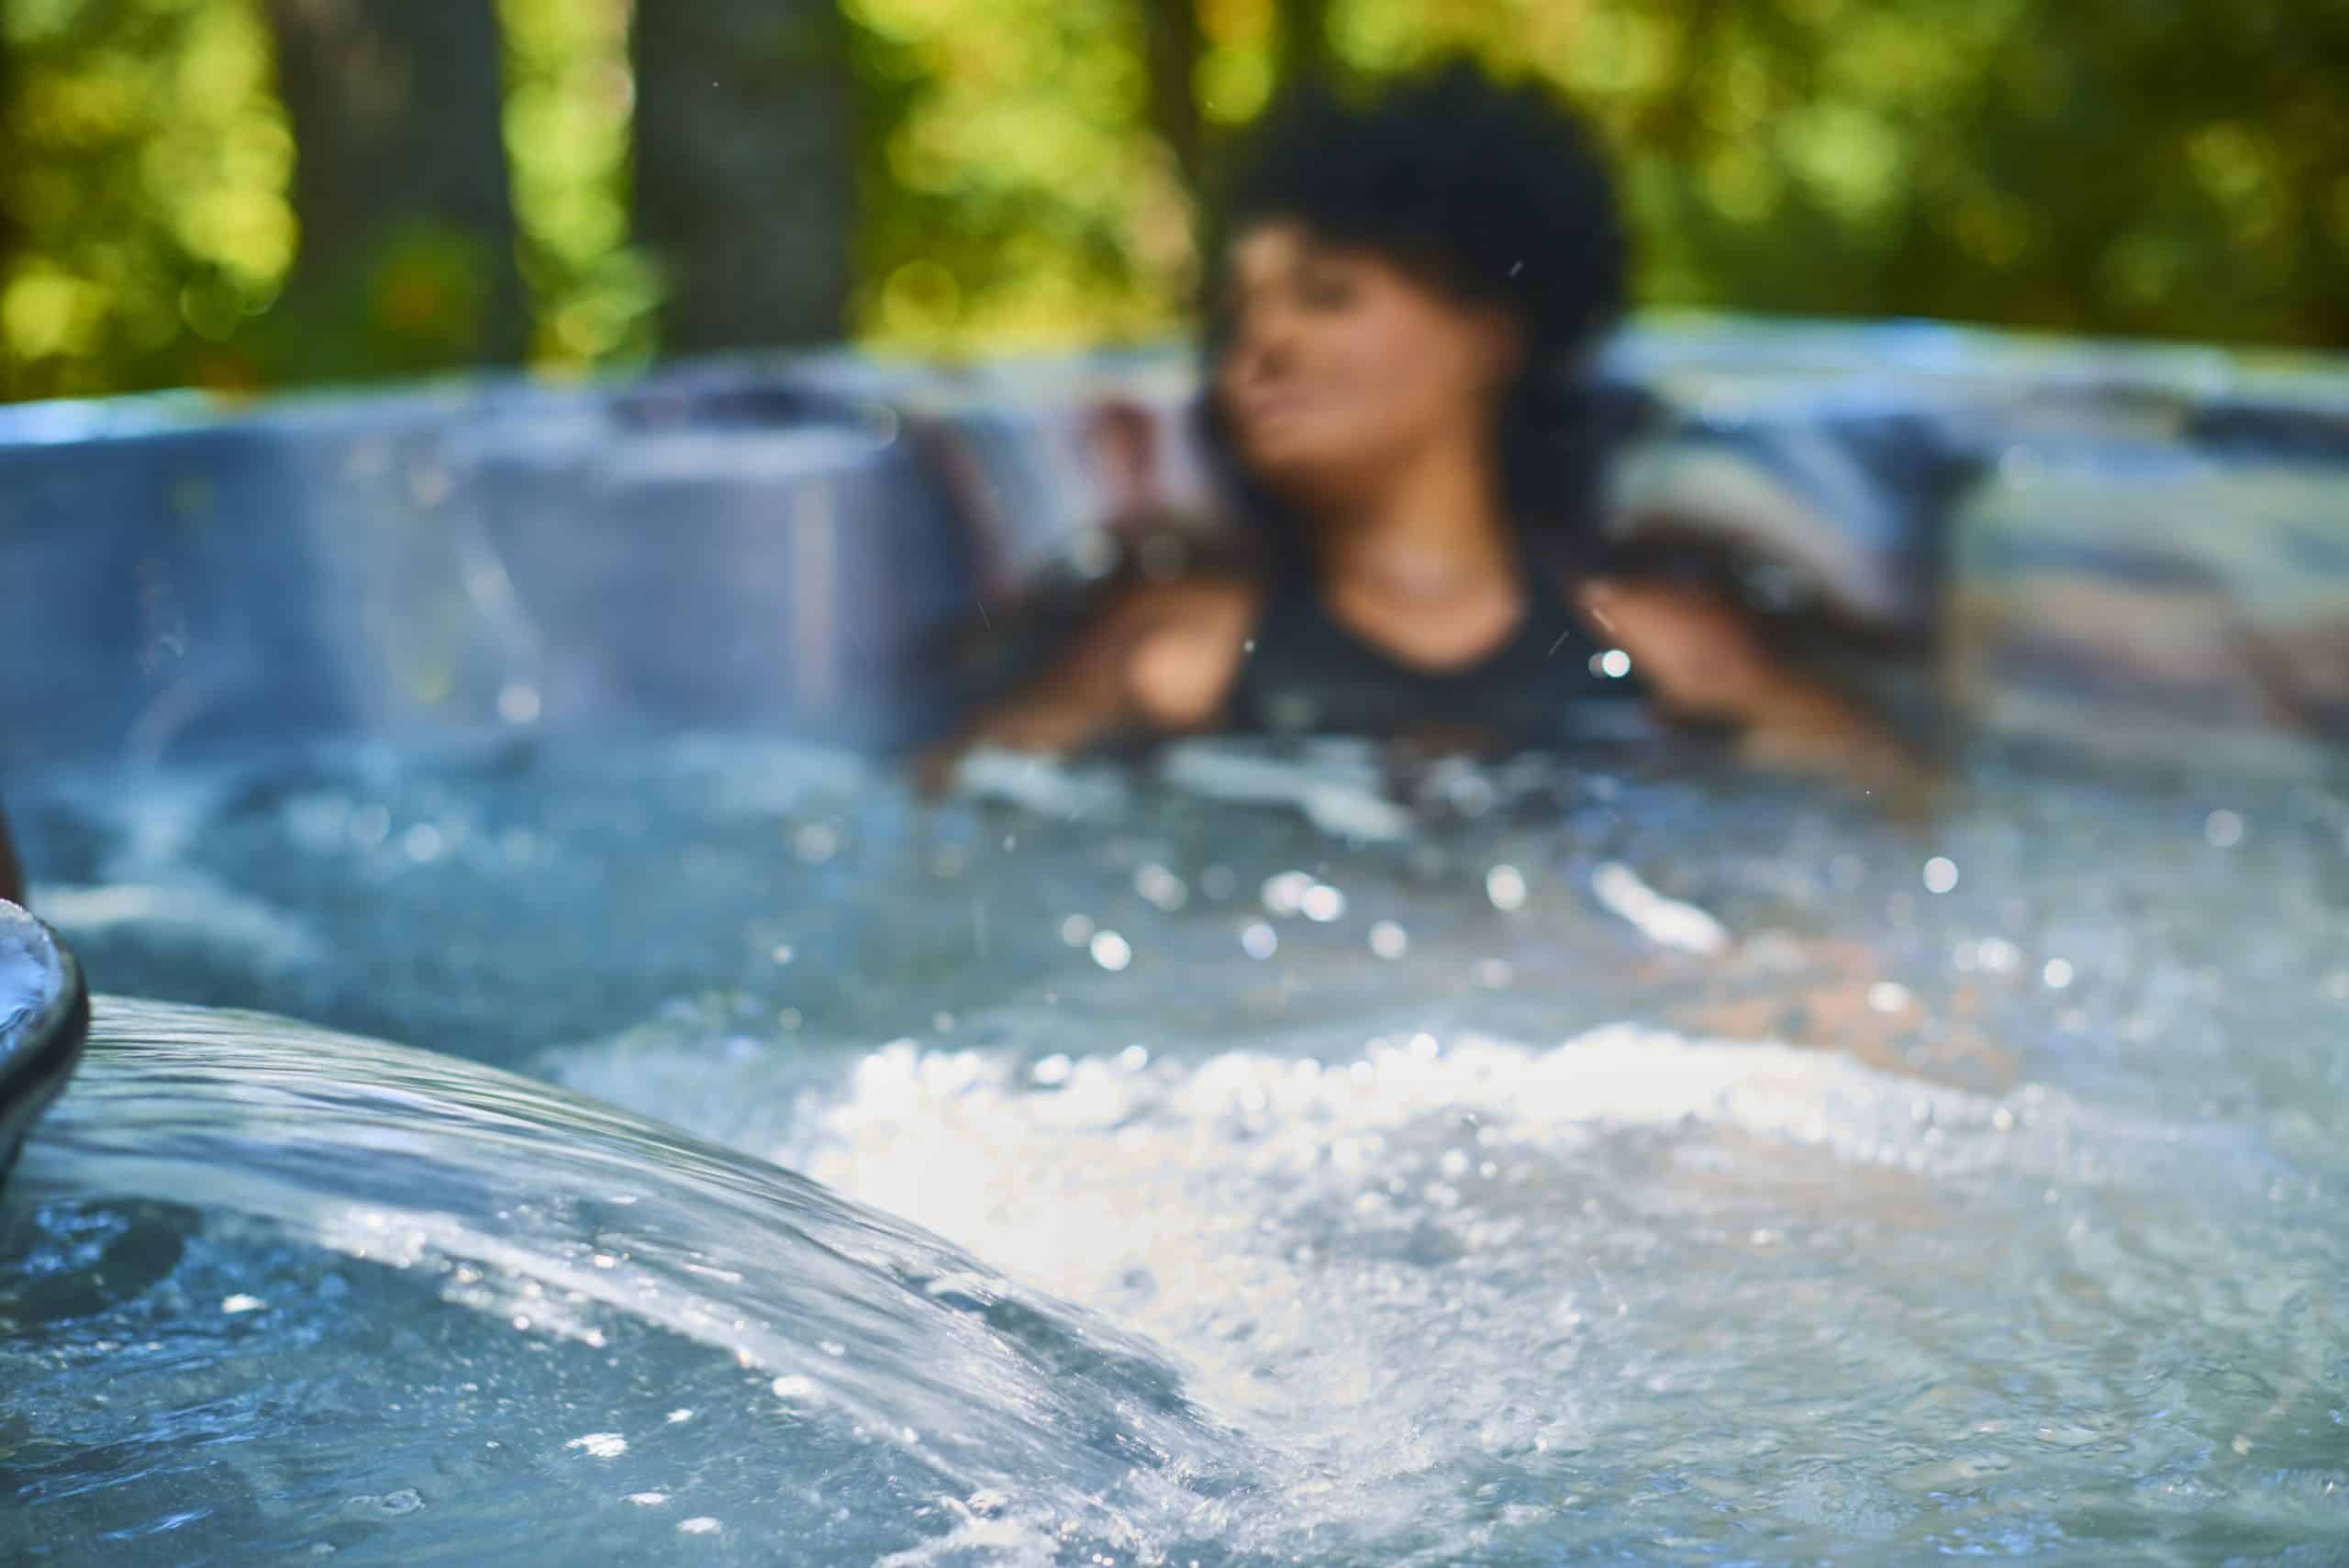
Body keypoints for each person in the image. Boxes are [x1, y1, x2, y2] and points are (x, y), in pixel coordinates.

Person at [926, 63, 1920, 790]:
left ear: (1489, 336)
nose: (1260, 345)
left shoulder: (1668, 650)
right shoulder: (1171, 650)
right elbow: (945, 813)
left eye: (1327, 295)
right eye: (1237, 317)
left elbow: (1902, 819)